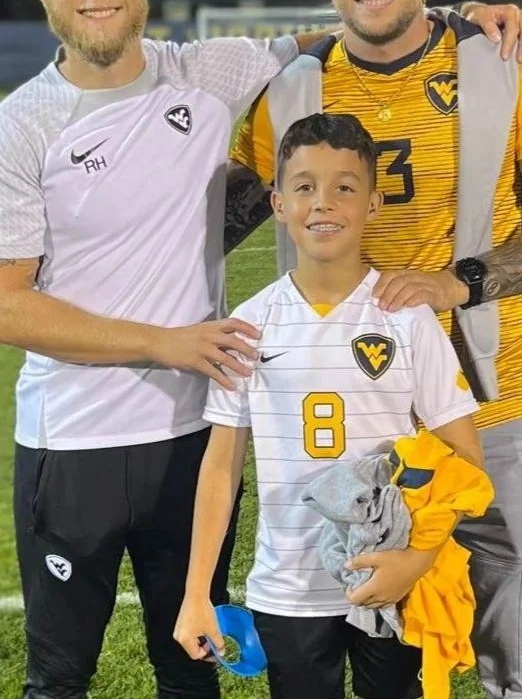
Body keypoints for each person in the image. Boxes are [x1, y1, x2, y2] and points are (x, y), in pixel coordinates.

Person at [0, 0, 340, 699]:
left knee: (192, 669)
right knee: (60, 678)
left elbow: (352, 24)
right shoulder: (21, 126)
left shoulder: (203, 73)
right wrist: (163, 341)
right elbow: (8, 304)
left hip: (194, 440)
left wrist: (468, 14)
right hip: (70, 445)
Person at [227, 0, 522, 699]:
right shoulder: (287, 91)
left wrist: (459, 285)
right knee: (361, 635)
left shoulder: (502, 61)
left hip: (494, 406)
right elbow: (207, 228)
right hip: (348, 430)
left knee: (513, 648)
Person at [175, 112, 485, 699]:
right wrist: (196, 593)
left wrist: (416, 561)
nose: (324, 203)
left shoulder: (408, 315)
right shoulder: (248, 325)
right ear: (277, 203)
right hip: (288, 586)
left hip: (390, 572)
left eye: (345, 186)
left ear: (372, 204)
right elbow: (219, 469)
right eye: (304, 187)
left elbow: (465, 457)